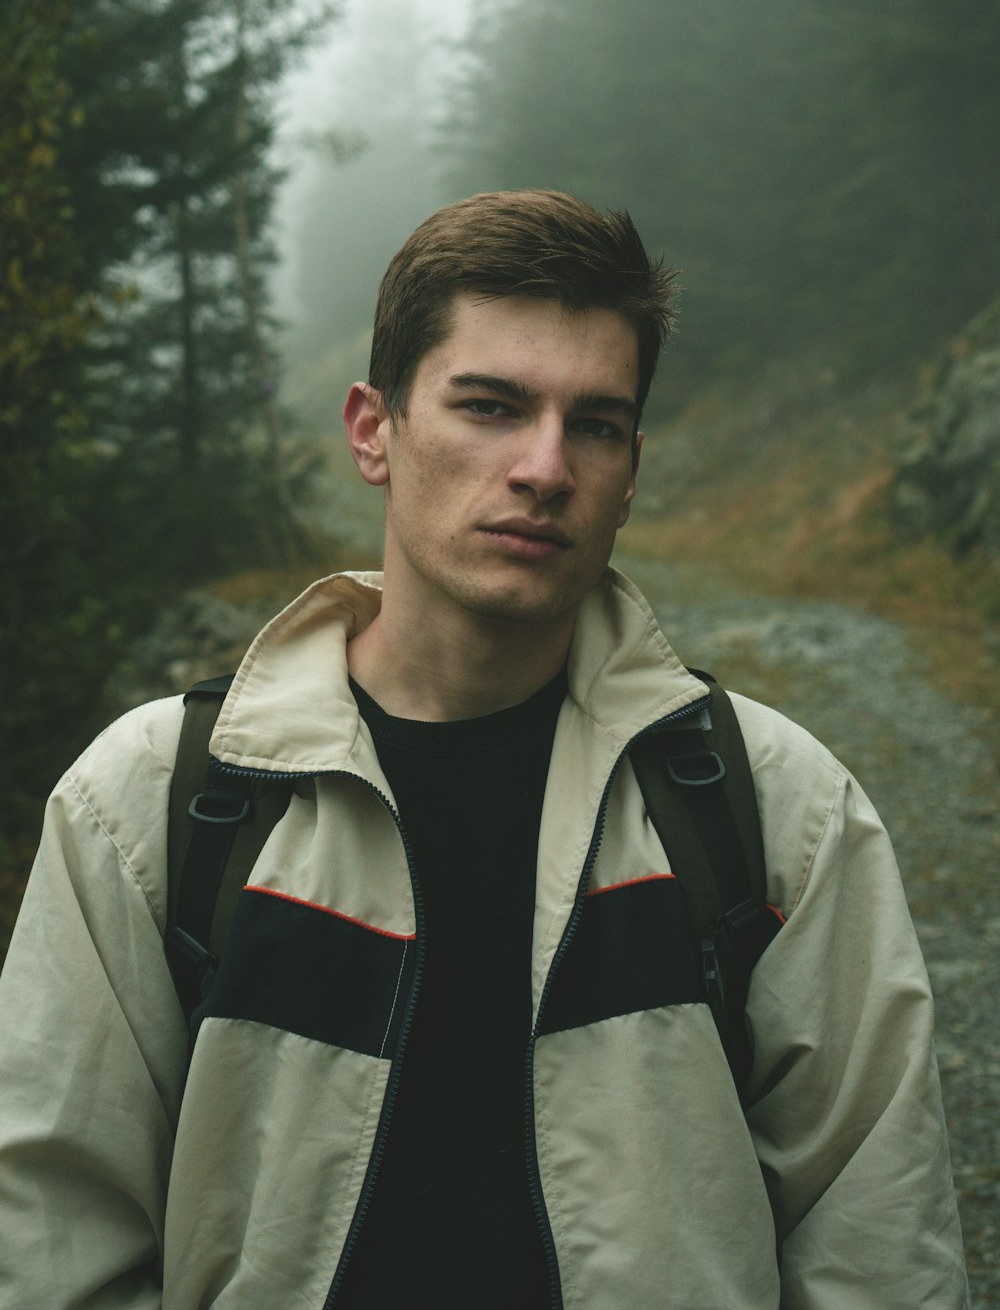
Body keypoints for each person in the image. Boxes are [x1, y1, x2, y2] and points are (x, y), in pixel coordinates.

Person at [0, 190, 969, 1308]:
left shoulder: (777, 809)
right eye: (491, 406)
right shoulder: (155, 803)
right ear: (374, 428)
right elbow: (50, 1245)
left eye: (595, 424)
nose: (544, 467)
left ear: (631, 467)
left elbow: (879, 1249)